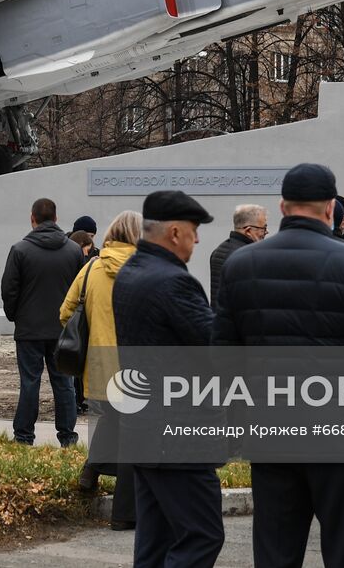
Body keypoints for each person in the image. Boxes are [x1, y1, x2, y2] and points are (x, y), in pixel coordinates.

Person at [215, 164, 344, 567]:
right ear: (331, 207)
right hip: (342, 430)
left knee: (276, 548)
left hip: (272, 430)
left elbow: (224, 359)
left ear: (283, 207)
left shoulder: (241, 265)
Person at [115, 189, 224, 568]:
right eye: (194, 231)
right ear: (175, 232)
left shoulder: (132, 271)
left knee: (155, 540)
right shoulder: (174, 282)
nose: (197, 240)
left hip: (144, 429)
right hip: (178, 435)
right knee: (202, 535)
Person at [62, 209, 141, 530]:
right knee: (136, 439)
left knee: (111, 419)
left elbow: (65, 312)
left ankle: (91, 469)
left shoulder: (92, 266)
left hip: (97, 367)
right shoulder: (145, 268)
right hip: (134, 368)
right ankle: (124, 515)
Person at [1, 197, 83, 447]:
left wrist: (16, 316)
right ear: (56, 219)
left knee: (29, 382)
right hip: (63, 329)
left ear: (32, 219)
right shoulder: (74, 251)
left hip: (29, 328)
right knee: (64, 383)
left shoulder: (20, 250)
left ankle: (24, 435)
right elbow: (81, 290)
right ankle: (67, 436)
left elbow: (9, 290)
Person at [208, 204, 267, 308]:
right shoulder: (247, 256)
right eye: (263, 228)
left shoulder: (219, 250)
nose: (266, 232)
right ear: (248, 231)